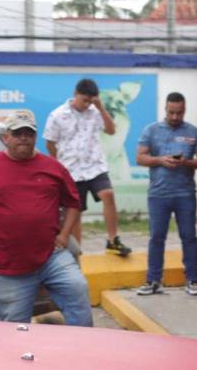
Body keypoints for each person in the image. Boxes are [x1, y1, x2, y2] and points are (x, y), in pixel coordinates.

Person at [0, 111, 93, 326]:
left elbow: (73, 203)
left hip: (52, 257)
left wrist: (64, 234)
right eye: (17, 133)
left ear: (35, 137)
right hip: (8, 266)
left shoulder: (53, 167)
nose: (23, 137)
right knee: (14, 327)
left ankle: (85, 348)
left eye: (28, 133)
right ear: (6, 138)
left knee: (78, 290)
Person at [43, 78, 131, 256]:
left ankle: (113, 240)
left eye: (90, 101)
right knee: (75, 212)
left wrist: (100, 107)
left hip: (95, 166)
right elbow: (50, 142)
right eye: (84, 100)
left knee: (108, 194)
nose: (86, 105)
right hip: (71, 170)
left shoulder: (95, 111)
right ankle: (77, 250)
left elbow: (111, 130)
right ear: (75, 94)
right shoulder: (58, 115)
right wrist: (58, 163)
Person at [135, 92, 197, 296]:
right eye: (171, 112)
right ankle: (153, 280)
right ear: (165, 109)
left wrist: (186, 163)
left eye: (179, 112)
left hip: (185, 193)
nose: (175, 117)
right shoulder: (151, 130)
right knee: (156, 237)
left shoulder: (193, 131)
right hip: (158, 194)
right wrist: (161, 160)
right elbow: (140, 158)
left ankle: (193, 280)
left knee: (189, 237)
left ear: (185, 110)